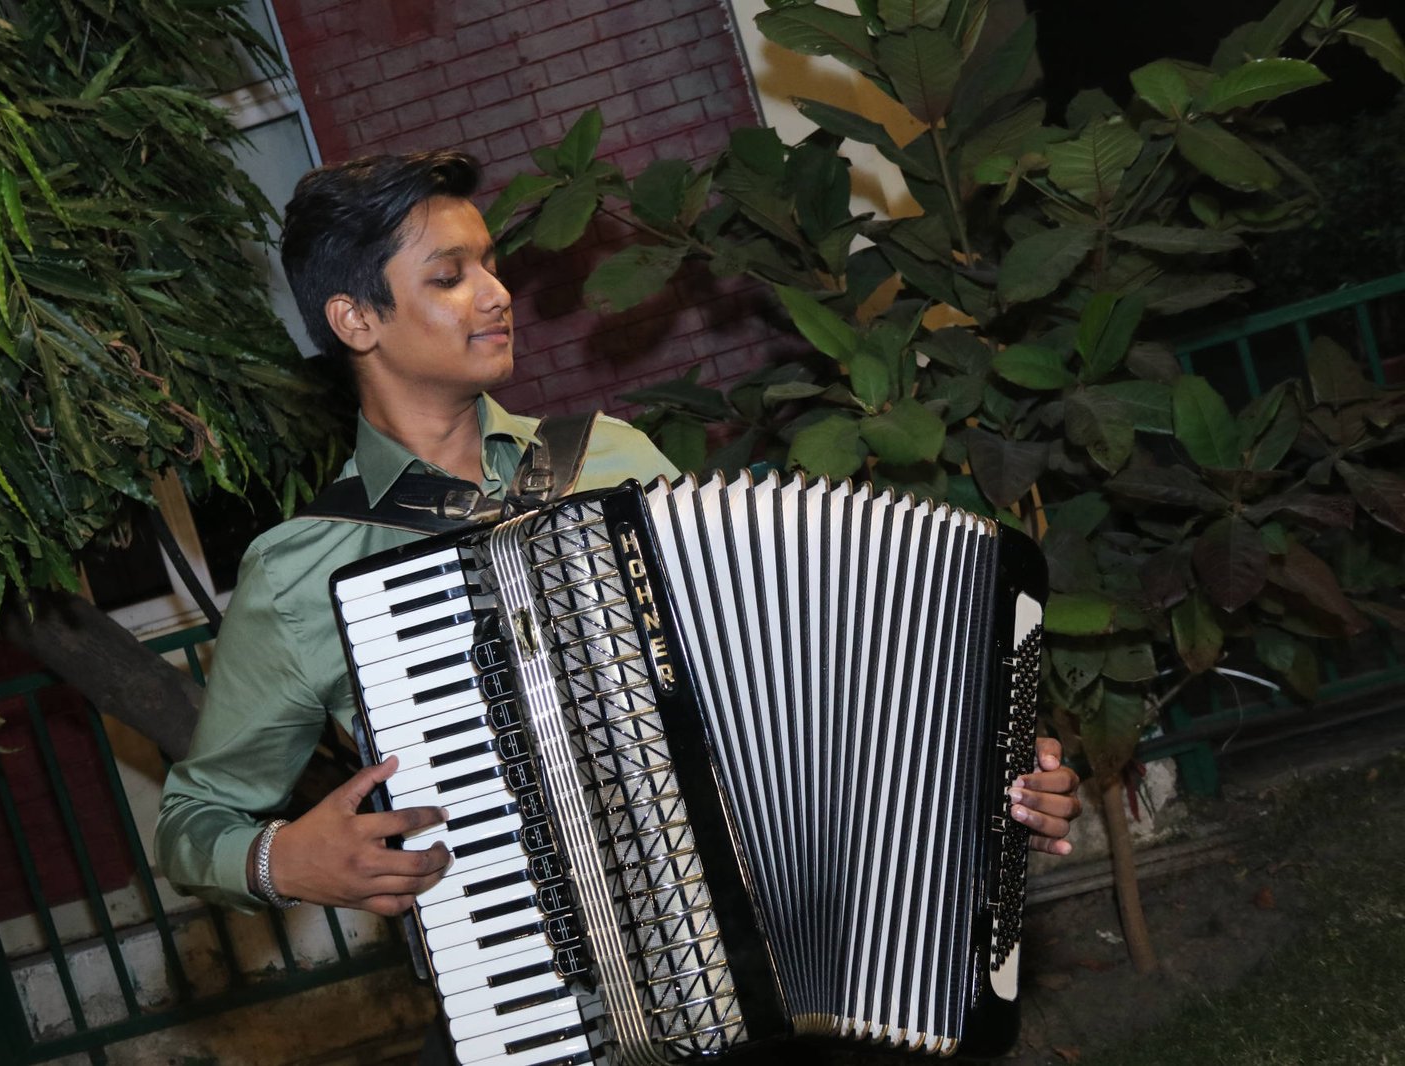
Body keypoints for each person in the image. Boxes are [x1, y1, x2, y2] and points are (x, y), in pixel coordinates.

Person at [154, 149, 1082, 923]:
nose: (495, 293)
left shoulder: (610, 459)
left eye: (489, 263)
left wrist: (987, 760)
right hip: (527, 983)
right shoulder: (302, 571)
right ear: (355, 319)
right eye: (449, 276)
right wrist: (282, 860)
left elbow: (794, 668)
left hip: (762, 919)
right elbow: (193, 820)